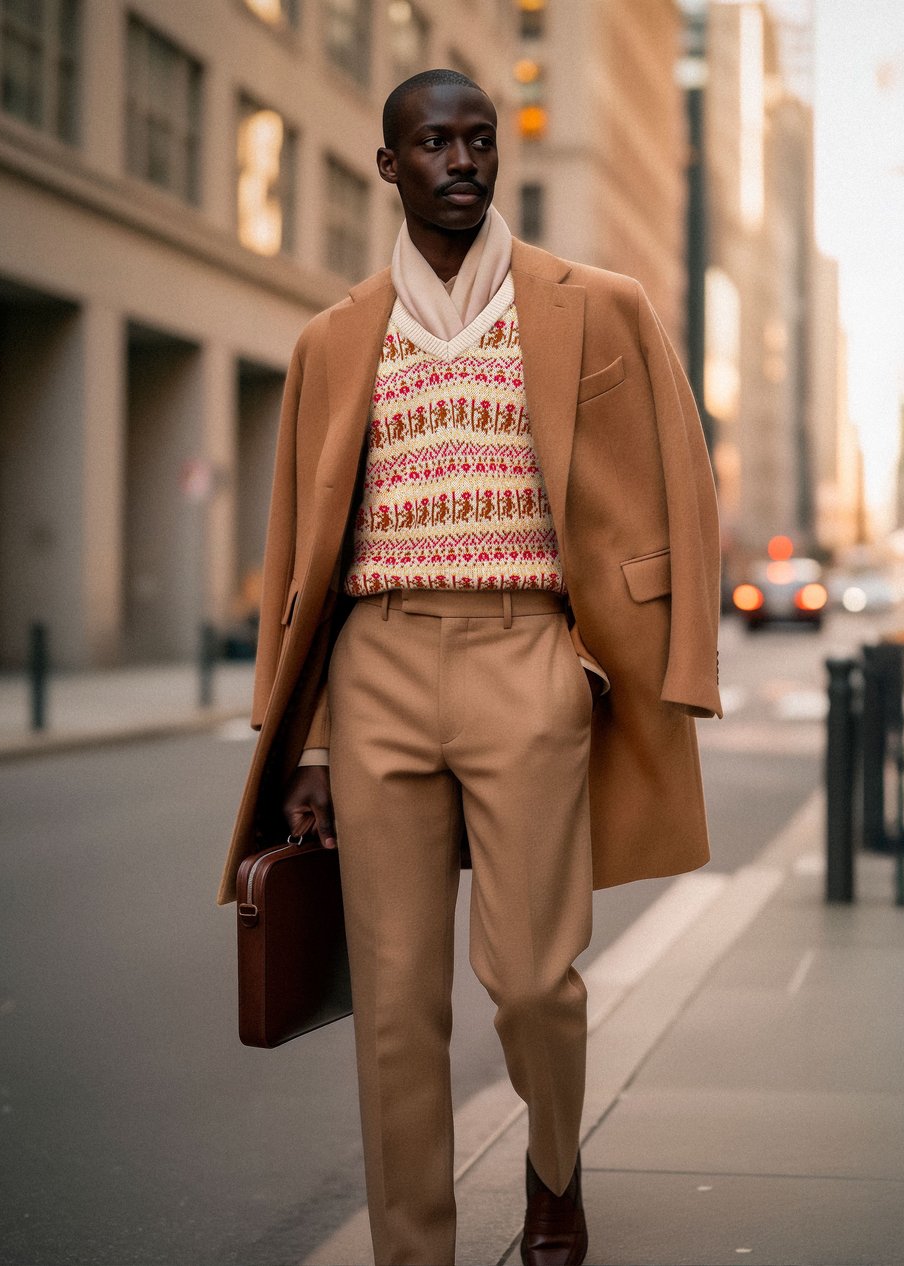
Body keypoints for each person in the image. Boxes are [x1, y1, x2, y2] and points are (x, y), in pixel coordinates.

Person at [217, 68, 723, 1266]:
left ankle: (554, 1169)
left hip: (526, 652)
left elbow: (683, 484)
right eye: (435, 143)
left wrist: (643, 661)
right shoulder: (332, 341)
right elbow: (301, 556)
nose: (462, 162)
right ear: (388, 166)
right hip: (378, 667)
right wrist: (310, 741)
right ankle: (414, 1253)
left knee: (534, 978)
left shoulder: (599, 306)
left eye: (480, 141)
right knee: (395, 1005)